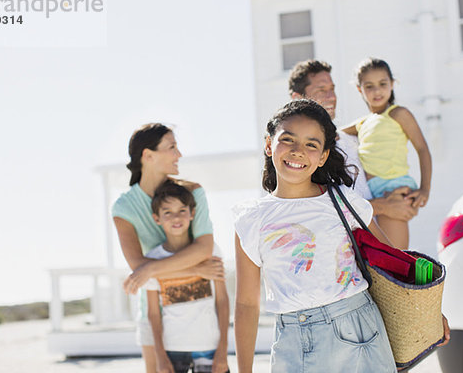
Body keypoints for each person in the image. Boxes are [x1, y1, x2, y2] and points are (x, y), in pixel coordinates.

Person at [233, 99, 399, 373]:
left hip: (359, 329)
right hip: (293, 340)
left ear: (323, 156)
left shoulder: (343, 200)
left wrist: (425, 313)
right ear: (268, 144)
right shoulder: (250, 219)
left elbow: (392, 262)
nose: (298, 151)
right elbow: (246, 303)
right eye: (288, 140)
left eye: (311, 144)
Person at [112, 123, 225, 373]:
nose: (179, 154)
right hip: (154, 318)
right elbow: (138, 270)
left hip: (200, 319)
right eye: (172, 147)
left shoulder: (193, 193)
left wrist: (151, 270)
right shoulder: (123, 207)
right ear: (148, 155)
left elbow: (204, 249)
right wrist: (198, 270)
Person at [288, 60, 419, 226]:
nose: (331, 97)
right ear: (297, 98)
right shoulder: (300, 155)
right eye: (321, 90)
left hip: (380, 236)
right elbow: (315, 210)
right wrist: (383, 207)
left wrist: (406, 196)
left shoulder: (351, 139)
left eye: (332, 89)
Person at [343, 58, 432, 250]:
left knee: (396, 253)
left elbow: (422, 149)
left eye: (383, 84)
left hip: (394, 187)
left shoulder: (398, 114)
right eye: (369, 86)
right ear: (360, 90)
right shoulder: (363, 123)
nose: (377, 91)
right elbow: (333, 133)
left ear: (392, 84)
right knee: (379, 254)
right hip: (371, 191)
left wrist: (425, 188)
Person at [144, 180, 229, 373]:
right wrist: (160, 356)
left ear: (192, 213)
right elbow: (153, 313)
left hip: (209, 346)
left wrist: (223, 348)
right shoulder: (152, 261)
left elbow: (222, 300)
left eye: (182, 210)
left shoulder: (210, 251)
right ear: (157, 218)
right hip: (172, 349)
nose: (176, 217)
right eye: (167, 212)